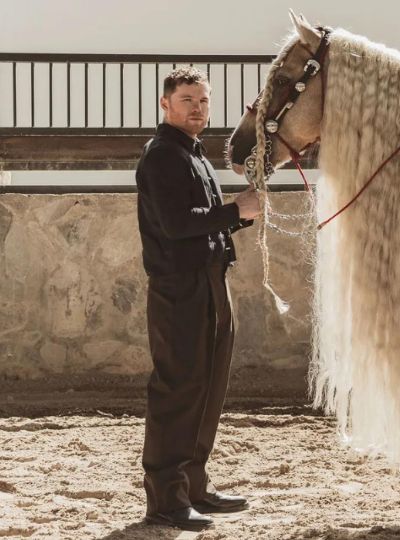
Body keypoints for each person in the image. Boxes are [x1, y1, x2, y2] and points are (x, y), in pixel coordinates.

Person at [135, 66, 261, 531]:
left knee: (207, 388)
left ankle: (193, 489)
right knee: (178, 389)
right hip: (179, 289)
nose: (197, 108)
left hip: (210, 282)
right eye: (187, 99)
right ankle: (166, 501)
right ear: (165, 104)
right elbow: (176, 225)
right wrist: (234, 211)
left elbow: (202, 222)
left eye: (204, 101)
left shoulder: (197, 156)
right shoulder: (162, 155)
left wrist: (238, 216)